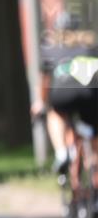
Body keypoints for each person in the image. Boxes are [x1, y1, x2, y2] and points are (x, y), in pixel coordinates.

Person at [33, 11, 98, 184]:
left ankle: (62, 152)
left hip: (62, 94)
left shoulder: (51, 47)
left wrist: (40, 102)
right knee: (93, 140)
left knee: (54, 114)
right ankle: (95, 189)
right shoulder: (90, 45)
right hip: (89, 95)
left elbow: (44, 80)